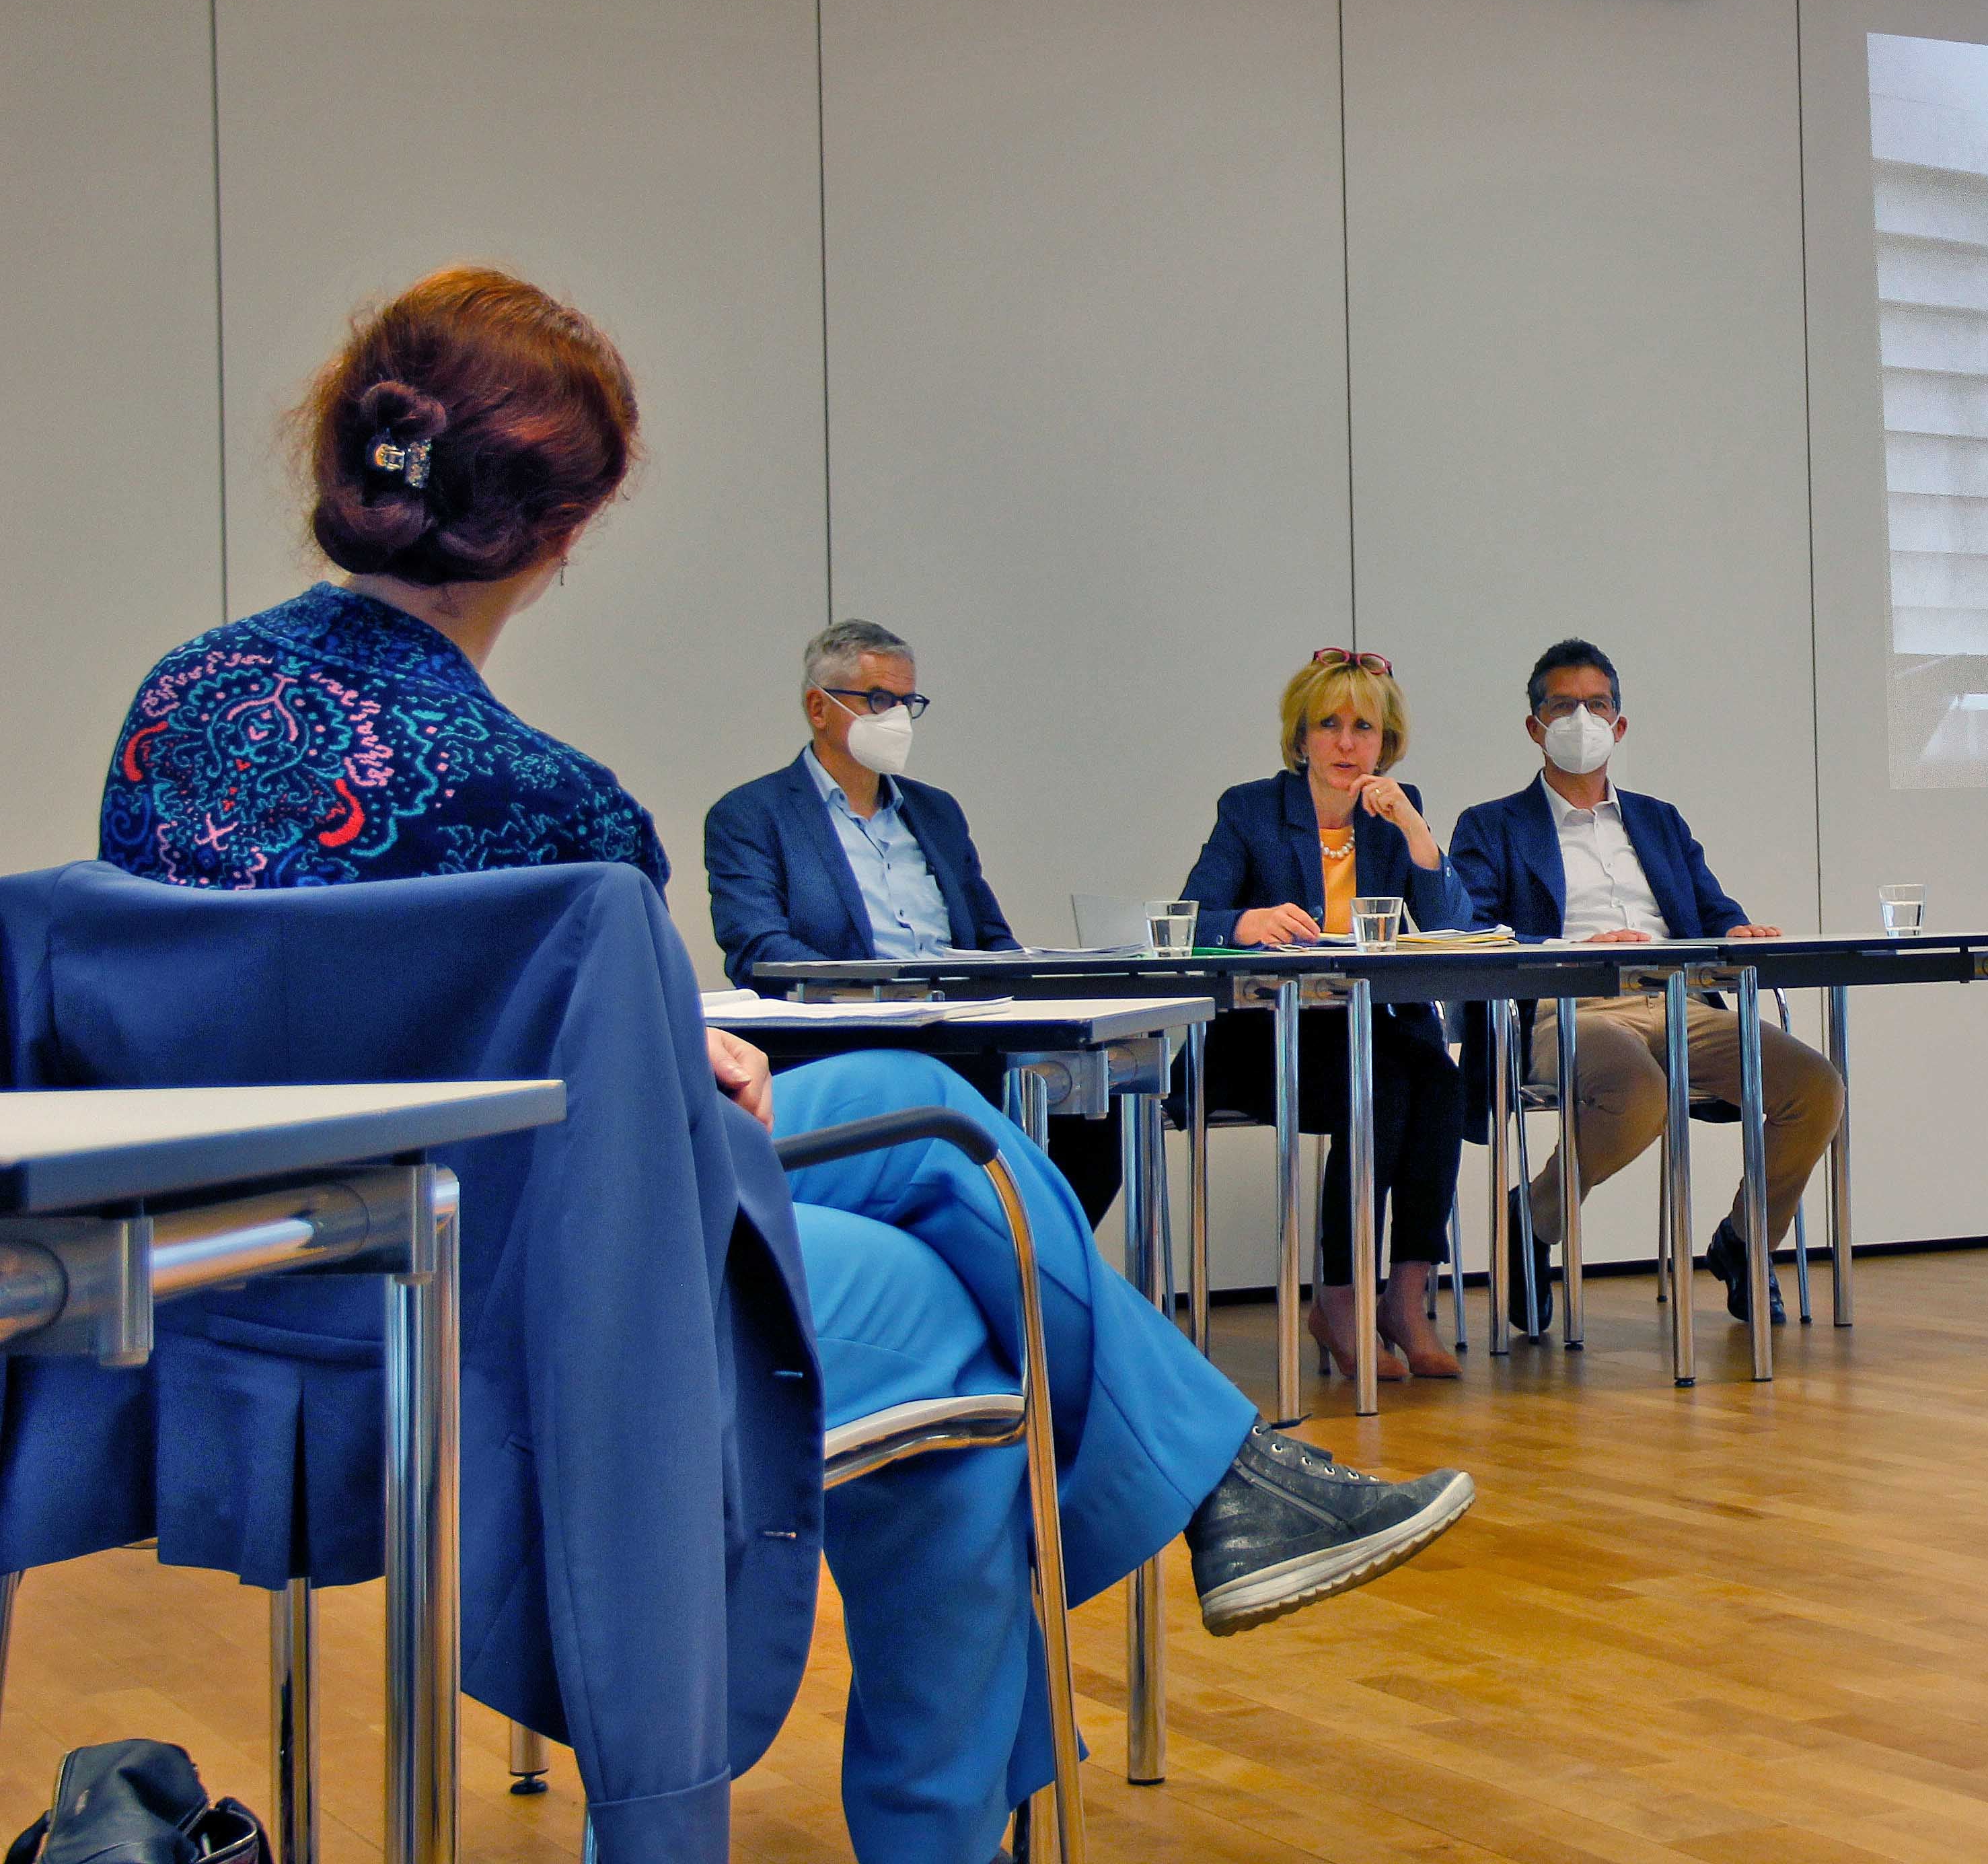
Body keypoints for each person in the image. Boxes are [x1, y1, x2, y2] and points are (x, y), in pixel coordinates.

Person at [98, 267, 1471, 1864]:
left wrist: (651, 1046)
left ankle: (1230, 1477)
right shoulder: (550, 805)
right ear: (564, 530)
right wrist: (664, 1065)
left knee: (933, 1119)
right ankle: (1141, 1573)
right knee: (958, 1319)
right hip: (524, 1301)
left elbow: (282, 993)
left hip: (241, 1281)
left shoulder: (174, 706)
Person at [1446, 638, 1841, 1326]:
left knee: (1815, 1087)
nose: (1581, 720)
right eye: (1562, 706)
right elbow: (1472, 930)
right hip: (1568, 1008)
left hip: (1678, 1000)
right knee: (1638, 1093)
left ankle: (1744, 1240)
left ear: (1619, 724)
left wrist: (1738, 929)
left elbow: (1712, 907)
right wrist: (1572, 948)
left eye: (1596, 705)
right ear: (1535, 727)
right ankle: (1536, 1215)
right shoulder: (1492, 825)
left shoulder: (1658, 819)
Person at [703, 623, 1120, 1223]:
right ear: (819, 708)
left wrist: (1023, 984)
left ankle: (1030, 1260)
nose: (897, 718)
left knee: (1100, 1105)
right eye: (878, 700)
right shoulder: (752, 814)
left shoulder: (936, 810)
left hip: (964, 1031)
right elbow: (759, 952)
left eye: (907, 702)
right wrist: (884, 994)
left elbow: (990, 939)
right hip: (851, 1042)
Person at [1178, 653, 1474, 1381]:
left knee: (1441, 1082)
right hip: (1266, 1037)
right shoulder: (1251, 809)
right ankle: (1339, 1298)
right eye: (1329, 726)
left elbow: (1449, 928)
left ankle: (1406, 1298)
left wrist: (1415, 829)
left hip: (1373, 1028)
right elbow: (1190, 919)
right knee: (1383, 1087)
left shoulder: (1395, 815)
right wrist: (1244, 922)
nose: (1346, 743)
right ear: (1301, 737)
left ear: (1386, 741)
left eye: (1363, 728)